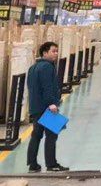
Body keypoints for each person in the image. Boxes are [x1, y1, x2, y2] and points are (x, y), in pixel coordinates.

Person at [27, 42, 69, 173]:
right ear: (45, 53)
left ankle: (33, 165)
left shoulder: (33, 67)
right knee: (51, 136)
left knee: (36, 135)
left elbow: (31, 87)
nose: (56, 53)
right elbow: (47, 87)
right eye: (53, 51)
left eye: (57, 51)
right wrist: (52, 103)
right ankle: (51, 164)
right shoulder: (47, 67)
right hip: (47, 107)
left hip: (36, 107)